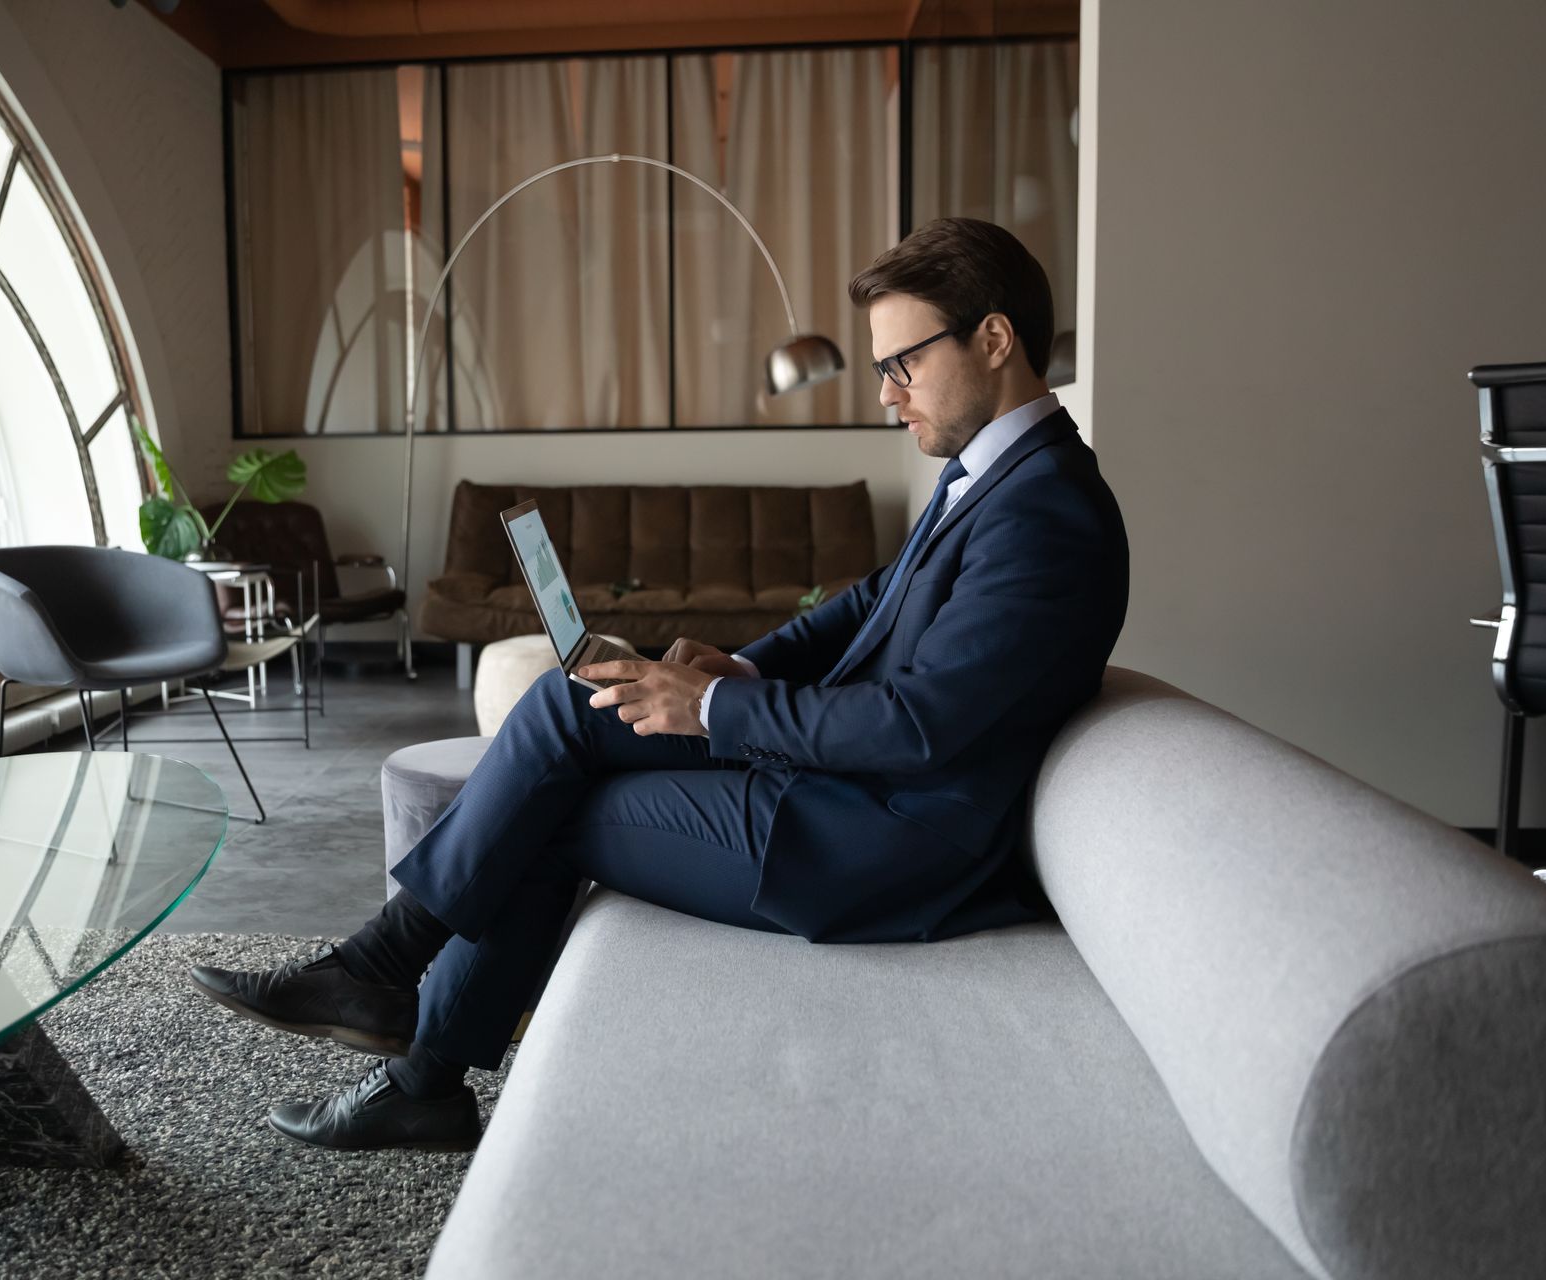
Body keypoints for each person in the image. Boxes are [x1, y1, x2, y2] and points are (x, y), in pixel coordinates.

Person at [189, 217, 1129, 1152]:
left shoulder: (1048, 514)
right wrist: (739, 666)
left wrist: (712, 708)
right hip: (852, 795)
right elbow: (871, 604)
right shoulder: (996, 480)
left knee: (548, 810)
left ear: (994, 340)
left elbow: (919, 727)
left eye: (903, 365)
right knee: (575, 699)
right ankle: (390, 985)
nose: (889, 395)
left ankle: (411, 1046)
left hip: (883, 844)